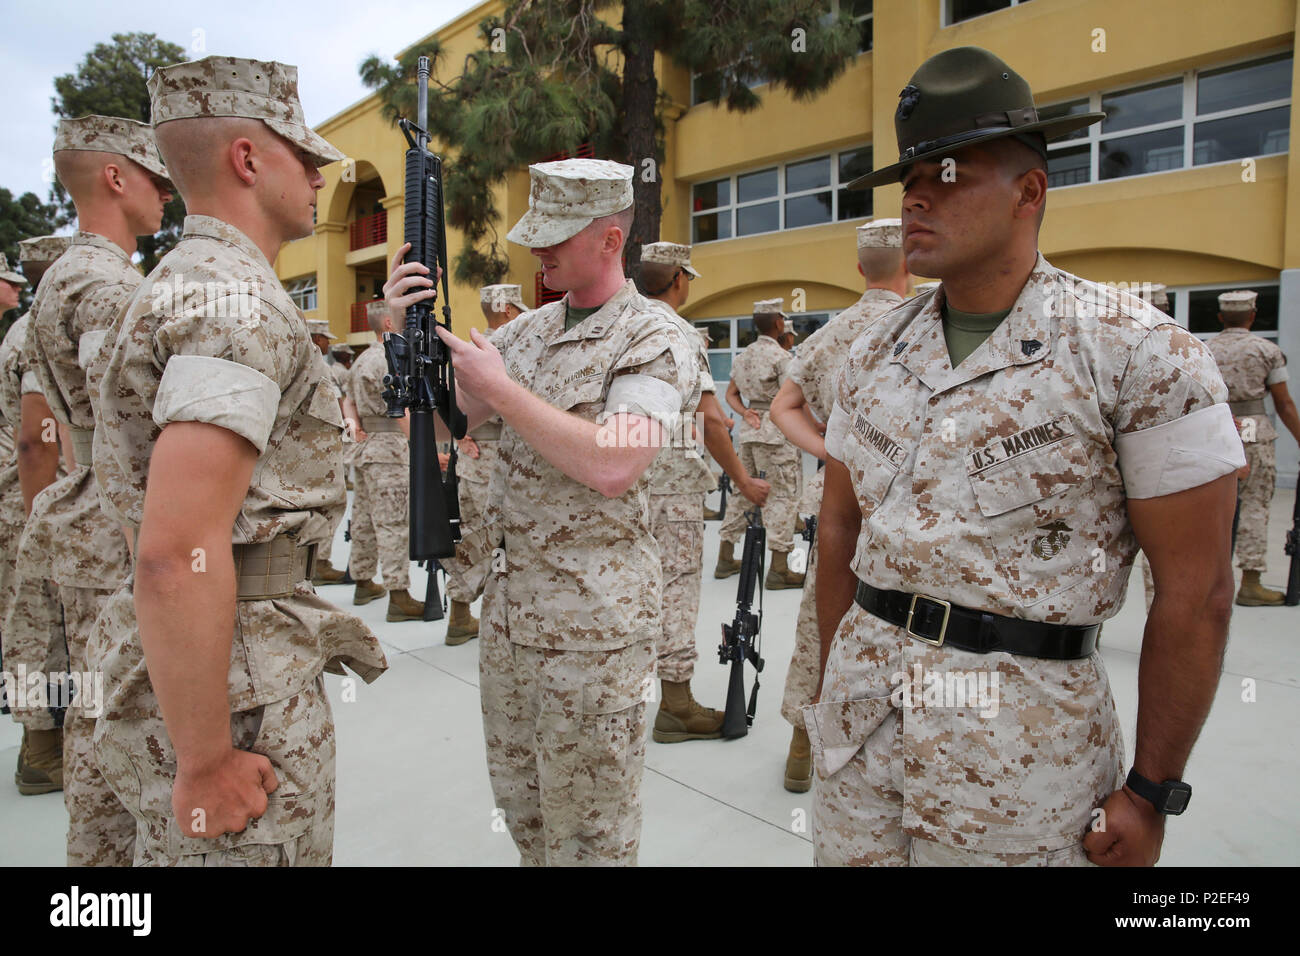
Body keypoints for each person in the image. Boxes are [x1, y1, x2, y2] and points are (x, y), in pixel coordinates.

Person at [811, 46, 1243, 866]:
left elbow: (1198, 592)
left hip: (1020, 761)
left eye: (948, 176)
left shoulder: (1139, 355)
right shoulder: (871, 353)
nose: (916, 200)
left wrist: (1153, 792)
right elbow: (839, 527)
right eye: (910, 184)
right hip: (860, 740)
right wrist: (834, 684)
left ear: (1030, 192)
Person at [91, 55, 387, 866]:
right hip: (240, 681)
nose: (323, 170)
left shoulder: (186, 282)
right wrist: (206, 762)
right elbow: (175, 553)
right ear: (248, 160)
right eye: (303, 151)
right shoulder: (238, 304)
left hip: (223, 658)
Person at [384, 158, 698, 865]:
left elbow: (616, 464)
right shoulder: (522, 337)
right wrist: (399, 336)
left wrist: (504, 392)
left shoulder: (653, 336)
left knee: (589, 836)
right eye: (536, 233)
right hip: (512, 622)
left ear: (611, 239)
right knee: (526, 818)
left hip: (596, 635)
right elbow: (434, 431)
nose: (538, 250)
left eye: (557, 235)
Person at [15, 116, 173, 866]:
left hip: (86, 516)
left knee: (92, 717)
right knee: (131, 725)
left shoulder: (62, 280)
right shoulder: (108, 286)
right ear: (114, 178)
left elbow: (45, 432)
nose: (170, 194)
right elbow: (135, 426)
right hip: (119, 525)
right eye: (155, 176)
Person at [769, 217, 911, 792]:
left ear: (859, 269)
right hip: (911, 503)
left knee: (819, 616)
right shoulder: (924, 320)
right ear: (912, 264)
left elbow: (784, 407)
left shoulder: (831, 334)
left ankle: (804, 744)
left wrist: (834, 451)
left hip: (840, 498)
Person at [635, 240, 771, 743]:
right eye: (687, 277)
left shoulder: (610, 325)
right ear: (677, 280)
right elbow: (712, 419)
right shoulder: (679, 334)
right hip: (671, 487)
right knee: (674, 590)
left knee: (627, 587)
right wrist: (741, 479)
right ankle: (675, 705)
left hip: (618, 482)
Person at [0, 240, 72, 796]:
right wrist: (39, 523)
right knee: (40, 626)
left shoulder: (27, 327)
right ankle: (41, 750)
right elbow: (36, 440)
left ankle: (53, 739)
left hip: (35, 496)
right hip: (33, 497)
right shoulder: (36, 330)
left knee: (46, 624)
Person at [438, 283, 525, 645]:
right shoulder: (512, 350)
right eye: (517, 308)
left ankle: (460, 612)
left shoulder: (469, 351)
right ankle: (503, 624)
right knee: (508, 543)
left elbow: (448, 404)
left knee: (474, 536)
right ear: (506, 309)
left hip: (471, 461)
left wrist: (459, 436)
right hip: (502, 460)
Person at [1207, 290, 1300, 606]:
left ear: (1221, 317)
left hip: (1215, 433)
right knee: (1255, 507)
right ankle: (1251, 582)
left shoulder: (1204, 349)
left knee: (1212, 508)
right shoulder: (1267, 350)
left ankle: (1209, 578)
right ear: (1252, 315)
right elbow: (1284, 403)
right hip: (1254, 433)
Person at [715, 298, 806, 588]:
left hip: (749, 432)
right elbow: (792, 398)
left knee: (743, 493)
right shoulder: (782, 358)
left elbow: (730, 394)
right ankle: (780, 569)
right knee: (780, 496)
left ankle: (725, 557)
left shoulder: (742, 357)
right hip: (776, 433)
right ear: (779, 324)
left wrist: (745, 412)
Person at [344, 305, 426, 621]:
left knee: (364, 517)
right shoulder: (392, 358)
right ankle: (399, 595)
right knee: (393, 522)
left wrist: (356, 430)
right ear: (390, 323)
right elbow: (400, 409)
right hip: (390, 448)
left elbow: (348, 401)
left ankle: (363, 580)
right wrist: (423, 449)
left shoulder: (362, 359)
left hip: (365, 448)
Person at [307, 318, 352, 584]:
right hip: (320, 447)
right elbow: (334, 404)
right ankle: (319, 562)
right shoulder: (319, 366)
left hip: (305, 446)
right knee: (326, 504)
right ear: (315, 338)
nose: (327, 343)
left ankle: (313, 561)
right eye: (324, 338)